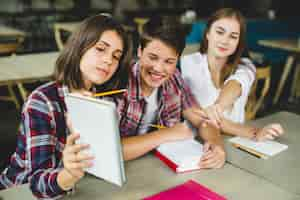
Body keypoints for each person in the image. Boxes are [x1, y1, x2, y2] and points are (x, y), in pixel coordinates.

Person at [0, 14, 131, 199]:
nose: (108, 60)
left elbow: (103, 164)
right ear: (79, 47)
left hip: (78, 190)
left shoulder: (106, 102)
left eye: (116, 56)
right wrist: (68, 174)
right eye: (101, 49)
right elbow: (36, 185)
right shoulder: (42, 101)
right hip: (18, 192)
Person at [115, 16, 226, 169]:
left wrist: (216, 144)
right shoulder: (118, 83)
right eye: (153, 57)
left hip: (158, 169)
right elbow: (111, 150)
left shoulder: (175, 79)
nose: (159, 69)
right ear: (140, 51)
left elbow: (202, 120)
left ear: (177, 59)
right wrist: (168, 134)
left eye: (169, 61)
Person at [181, 8, 283, 141]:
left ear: (238, 42)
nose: (225, 41)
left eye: (233, 36)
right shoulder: (188, 63)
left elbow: (235, 85)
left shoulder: (246, 67)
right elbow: (202, 119)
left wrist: (217, 107)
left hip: (235, 141)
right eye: (220, 32)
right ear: (207, 34)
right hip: (194, 142)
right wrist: (254, 133)